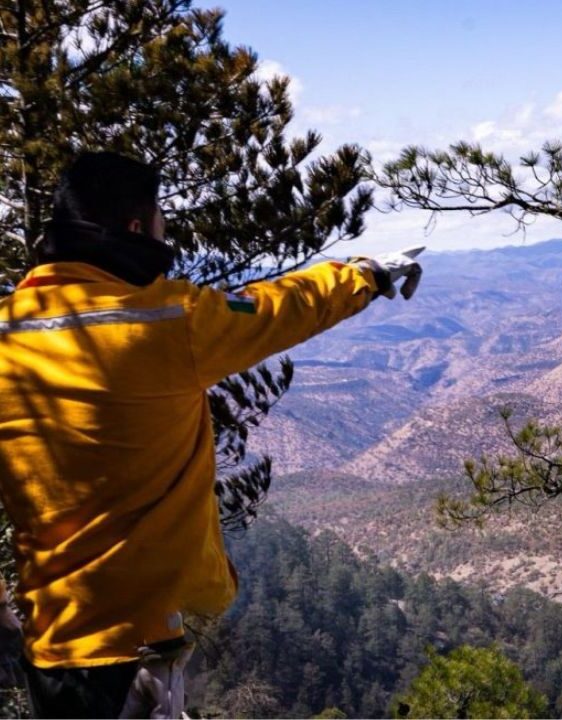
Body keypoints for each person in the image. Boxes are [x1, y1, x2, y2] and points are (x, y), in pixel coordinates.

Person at [0, 151, 420, 718]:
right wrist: (366, 274)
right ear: (134, 227)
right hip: (134, 644)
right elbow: (281, 307)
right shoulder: (163, 324)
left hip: (50, 642)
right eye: (158, 221)